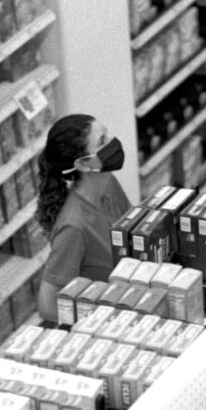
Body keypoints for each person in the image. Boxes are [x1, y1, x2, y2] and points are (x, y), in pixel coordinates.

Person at [36, 114, 132, 322]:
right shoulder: (73, 226)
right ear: (83, 164)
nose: (112, 142)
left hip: (127, 297)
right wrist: (96, 321)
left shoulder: (108, 183)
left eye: (107, 134)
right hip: (107, 318)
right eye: (102, 142)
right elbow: (48, 305)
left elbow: (131, 232)